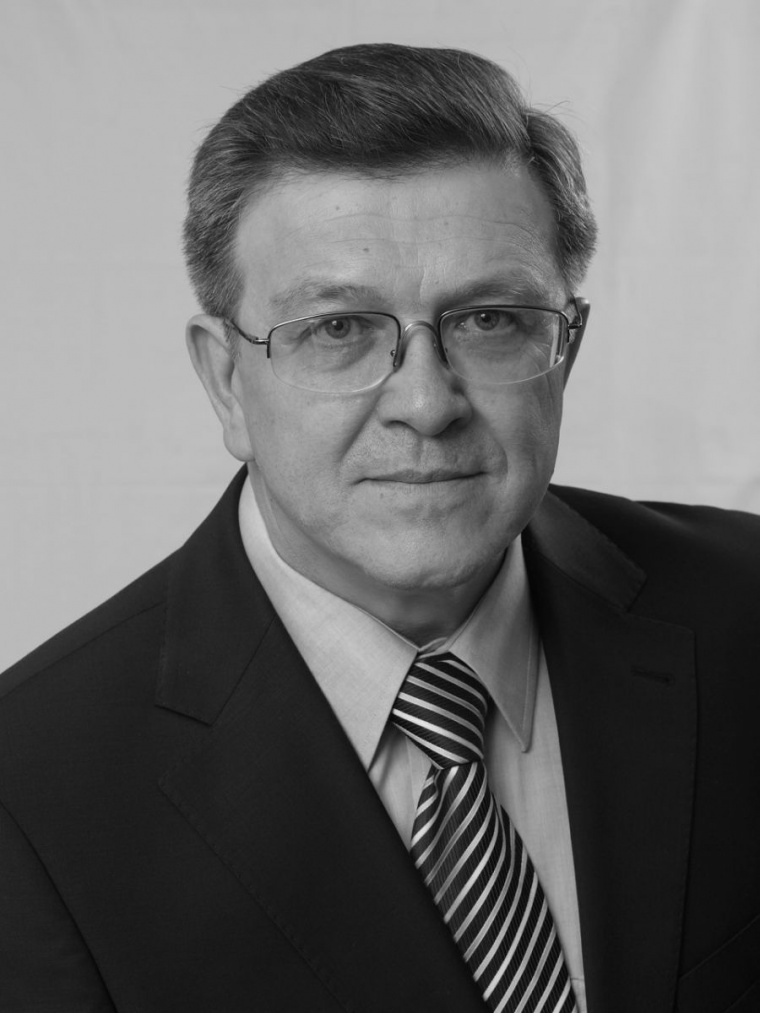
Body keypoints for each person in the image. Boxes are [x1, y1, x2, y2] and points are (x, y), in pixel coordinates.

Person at [0, 42, 758, 1013]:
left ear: (564, 350)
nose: (426, 404)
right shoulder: (33, 791)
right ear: (226, 380)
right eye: (339, 329)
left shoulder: (746, 613)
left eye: (489, 319)